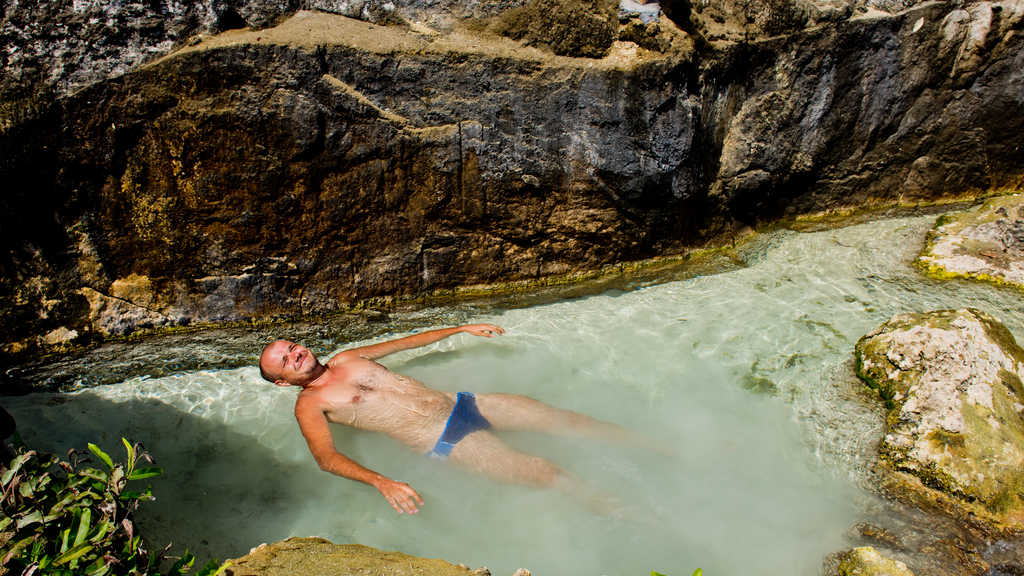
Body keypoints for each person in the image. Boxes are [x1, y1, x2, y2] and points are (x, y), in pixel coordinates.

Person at [258, 324, 631, 515]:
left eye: (292, 347)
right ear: (281, 381)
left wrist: (460, 329)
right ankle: (622, 511)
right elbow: (326, 458)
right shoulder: (310, 404)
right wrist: (381, 482)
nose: (296, 355)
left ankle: (663, 447)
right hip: (446, 440)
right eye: (286, 361)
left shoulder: (348, 357)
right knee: (544, 472)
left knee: (570, 421)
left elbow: (406, 342)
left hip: (467, 403)